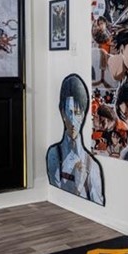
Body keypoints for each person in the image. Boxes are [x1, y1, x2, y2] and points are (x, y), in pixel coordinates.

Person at [46, 75, 105, 205]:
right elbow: (55, 190)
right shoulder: (54, 154)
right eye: (69, 112)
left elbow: (97, 201)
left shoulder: (92, 165)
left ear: (84, 115)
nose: (73, 121)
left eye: (78, 113)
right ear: (62, 113)